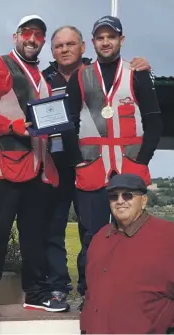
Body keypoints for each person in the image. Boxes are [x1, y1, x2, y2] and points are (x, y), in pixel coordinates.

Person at [0, 15, 69, 313]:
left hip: (36, 166)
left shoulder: (44, 77)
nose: (32, 38)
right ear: (16, 36)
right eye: (27, 32)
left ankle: (36, 293)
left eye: (38, 34)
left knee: (35, 231)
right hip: (2, 163)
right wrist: (10, 126)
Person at [41, 24, 152, 303]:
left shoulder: (94, 72)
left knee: (93, 231)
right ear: (52, 51)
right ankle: (58, 287)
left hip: (90, 165)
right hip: (55, 162)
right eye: (58, 45)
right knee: (54, 227)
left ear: (82, 47)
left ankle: (99, 287)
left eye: (70, 44)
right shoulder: (41, 78)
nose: (64, 49)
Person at [65, 15, 163, 306]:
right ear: (92, 42)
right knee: (92, 239)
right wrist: (76, 162)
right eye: (100, 37)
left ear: (121, 40)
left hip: (129, 168)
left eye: (111, 36)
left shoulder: (138, 73)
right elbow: (69, 123)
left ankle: (135, 294)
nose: (106, 42)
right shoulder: (80, 76)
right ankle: (89, 293)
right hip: (92, 168)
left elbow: (154, 121)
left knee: (135, 235)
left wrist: (142, 160)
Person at [80, 173, 174, 334]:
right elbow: (91, 292)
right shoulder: (99, 238)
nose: (120, 201)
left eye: (128, 195)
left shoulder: (168, 236)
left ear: (143, 201)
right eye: (113, 196)